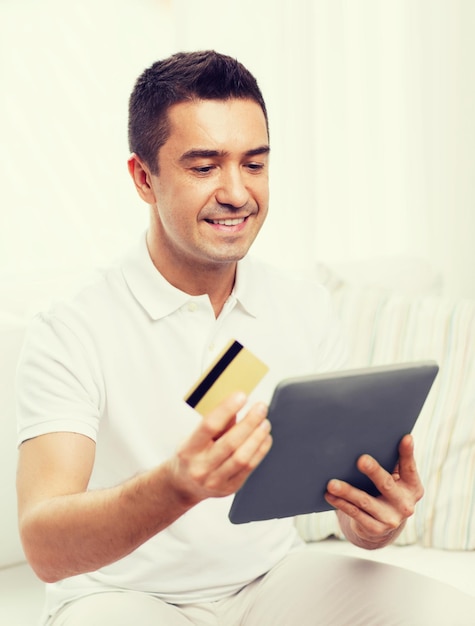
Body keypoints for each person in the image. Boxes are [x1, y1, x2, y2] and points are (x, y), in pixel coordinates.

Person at [16, 50, 475, 625]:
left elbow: (341, 500)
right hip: (120, 597)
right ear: (143, 178)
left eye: (254, 165)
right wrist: (176, 486)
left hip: (271, 578)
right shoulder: (69, 327)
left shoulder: (304, 307)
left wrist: (371, 524)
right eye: (204, 167)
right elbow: (43, 549)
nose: (237, 193)